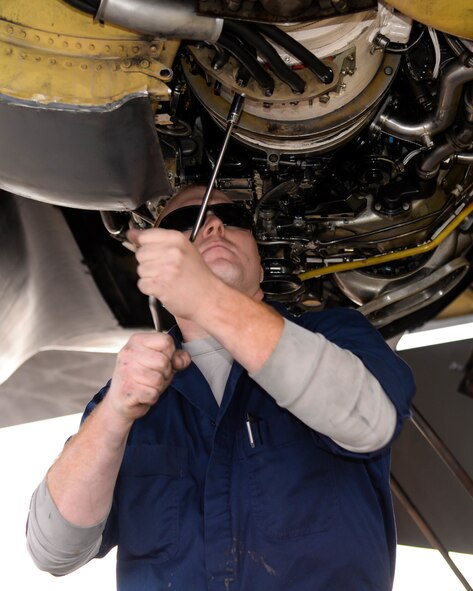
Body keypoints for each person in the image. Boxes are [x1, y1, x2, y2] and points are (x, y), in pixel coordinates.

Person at [26, 185, 415, 590]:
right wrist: (114, 413)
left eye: (233, 220)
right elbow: (53, 550)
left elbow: (370, 421)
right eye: (184, 222)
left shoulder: (337, 336)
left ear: (261, 264)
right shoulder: (127, 399)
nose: (213, 224)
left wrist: (204, 295)